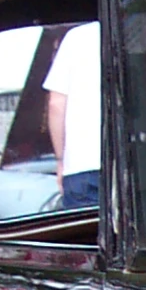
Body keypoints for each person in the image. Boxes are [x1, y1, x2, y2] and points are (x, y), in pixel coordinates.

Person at [43, 21, 102, 209]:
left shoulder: (75, 37)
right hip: (138, 166)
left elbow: (56, 104)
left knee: (85, 233)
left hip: (81, 165)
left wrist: (61, 159)